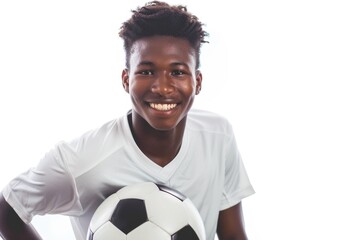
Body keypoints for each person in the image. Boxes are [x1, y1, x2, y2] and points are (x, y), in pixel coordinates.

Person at [0, 1, 255, 239]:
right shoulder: (82, 161)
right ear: (126, 80)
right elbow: (7, 209)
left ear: (197, 82)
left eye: (177, 72)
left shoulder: (218, 136)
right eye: (146, 71)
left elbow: (233, 235)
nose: (163, 87)